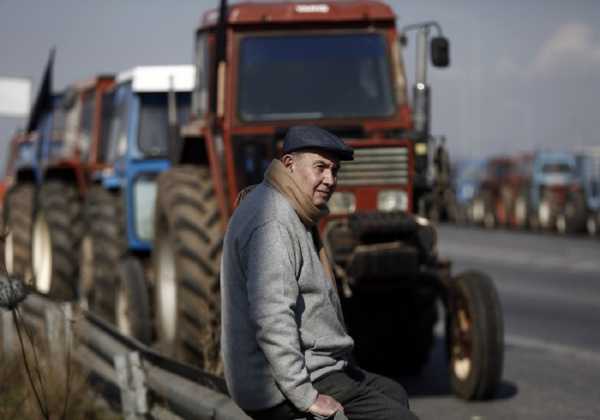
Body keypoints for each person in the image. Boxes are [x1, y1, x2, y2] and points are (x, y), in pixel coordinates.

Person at [220, 126, 419, 420]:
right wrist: (306, 397)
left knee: (394, 393)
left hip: (316, 366)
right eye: (320, 167)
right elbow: (272, 316)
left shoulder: (291, 209)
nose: (330, 179)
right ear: (289, 164)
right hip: (277, 384)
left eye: (334, 170)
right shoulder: (273, 221)